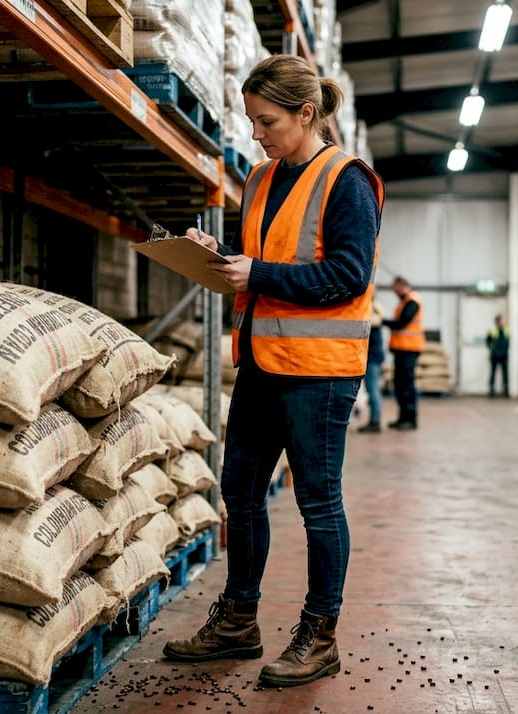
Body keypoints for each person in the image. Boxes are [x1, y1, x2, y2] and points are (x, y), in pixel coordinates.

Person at [163, 54, 384, 689]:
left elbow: (347, 276)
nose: (256, 134)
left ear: (306, 114)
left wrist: (255, 272)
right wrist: (221, 260)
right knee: (239, 492)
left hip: (319, 372)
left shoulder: (346, 180)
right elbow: (268, 259)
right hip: (261, 362)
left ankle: (320, 634)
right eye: (252, 121)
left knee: (318, 503)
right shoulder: (259, 180)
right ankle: (238, 619)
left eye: (267, 122)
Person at [383, 275, 424, 430]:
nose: (394, 292)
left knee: (406, 384)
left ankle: (410, 419)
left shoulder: (413, 301)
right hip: (402, 350)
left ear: (402, 285)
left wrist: (382, 321)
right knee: (400, 385)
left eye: (395, 288)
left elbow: (402, 322)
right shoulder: (404, 301)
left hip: (409, 349)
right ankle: (402, 418)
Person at [358, 301, 385, 432]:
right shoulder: (375, 322)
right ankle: (374, 420)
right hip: (373, 358)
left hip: (372, 359)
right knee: (372, 390)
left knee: (372, 390)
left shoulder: (372, 324)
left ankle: (375, 421)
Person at [486, 314, 511, 397]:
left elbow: (509, 341)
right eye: (502, 320)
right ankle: (491, 390)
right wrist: (492, 348)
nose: (503, 322)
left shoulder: (507, 330)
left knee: (505, 373)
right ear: (498, 321)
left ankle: (506, 390)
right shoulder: (492, 330)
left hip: (504, 355)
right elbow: (488, 341)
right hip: (495, 354)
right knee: (493, 373)